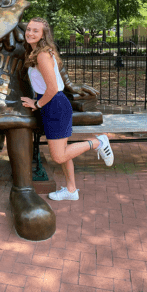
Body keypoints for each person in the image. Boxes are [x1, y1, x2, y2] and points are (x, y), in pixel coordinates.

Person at [21, 17, 114, 201]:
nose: (30, 33)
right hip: (51, 104)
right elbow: (45, 85)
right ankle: (71, 190)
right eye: (29, 29)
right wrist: (38, 100)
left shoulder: (41, 55)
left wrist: (37, 104)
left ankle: (98, 143)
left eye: (35, 31)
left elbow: (53, 88)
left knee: (58, 156)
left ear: (43, 35)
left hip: (55, 105)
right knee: (63, 152)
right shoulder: (37, 52)